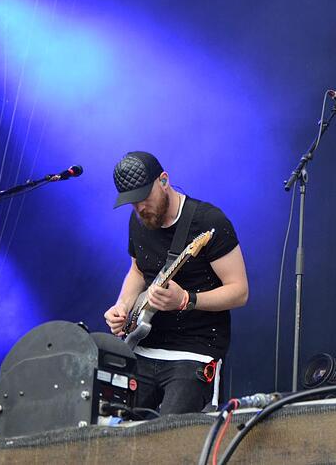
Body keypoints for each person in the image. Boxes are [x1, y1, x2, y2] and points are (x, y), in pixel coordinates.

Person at [103, 151, 249, 414]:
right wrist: (122, 306)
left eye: (144, 198)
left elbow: (239, 292)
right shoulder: (139, 220)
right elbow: (137, 269)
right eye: (133, 203)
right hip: (143, 346)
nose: (140, 208)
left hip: (194, 352)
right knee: (113, 425)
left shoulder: (208, 221)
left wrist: (186, 300)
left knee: (170, 437)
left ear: (164, 180)